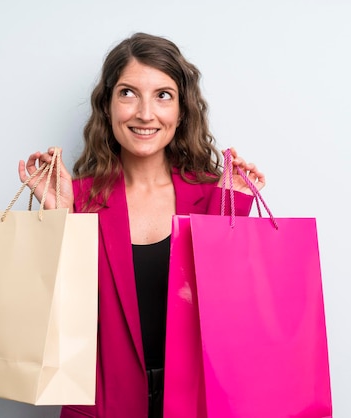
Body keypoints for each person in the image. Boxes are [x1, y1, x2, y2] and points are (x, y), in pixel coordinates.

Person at [18, 33, 265, 418]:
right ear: (107, 106)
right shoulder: (76, 198)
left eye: (163, 95)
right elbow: (48, 330)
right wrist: (60, 218)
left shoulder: (212, 196)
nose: (145, 114)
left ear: (182, 111)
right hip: (101, 409)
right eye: (128, 93)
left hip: (198, 406)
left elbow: (231, 323)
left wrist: (230, 206)